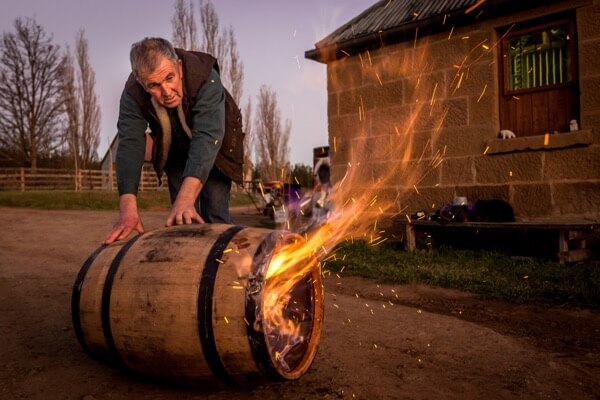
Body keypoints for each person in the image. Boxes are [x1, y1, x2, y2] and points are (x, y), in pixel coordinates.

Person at [104, 37, 234, 244]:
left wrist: (187, 198)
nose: (166, 92)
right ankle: (189, 263)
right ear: (141, 82)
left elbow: (207, 138)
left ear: (179, 67)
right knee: (182, 216)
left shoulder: (205, 76)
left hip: (214, 145)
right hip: (174, 146)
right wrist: (127, 208)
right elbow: (130, 145)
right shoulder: (132, 94)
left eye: (170, 78)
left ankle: (223, 262)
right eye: (154, 85)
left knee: (214, 208)